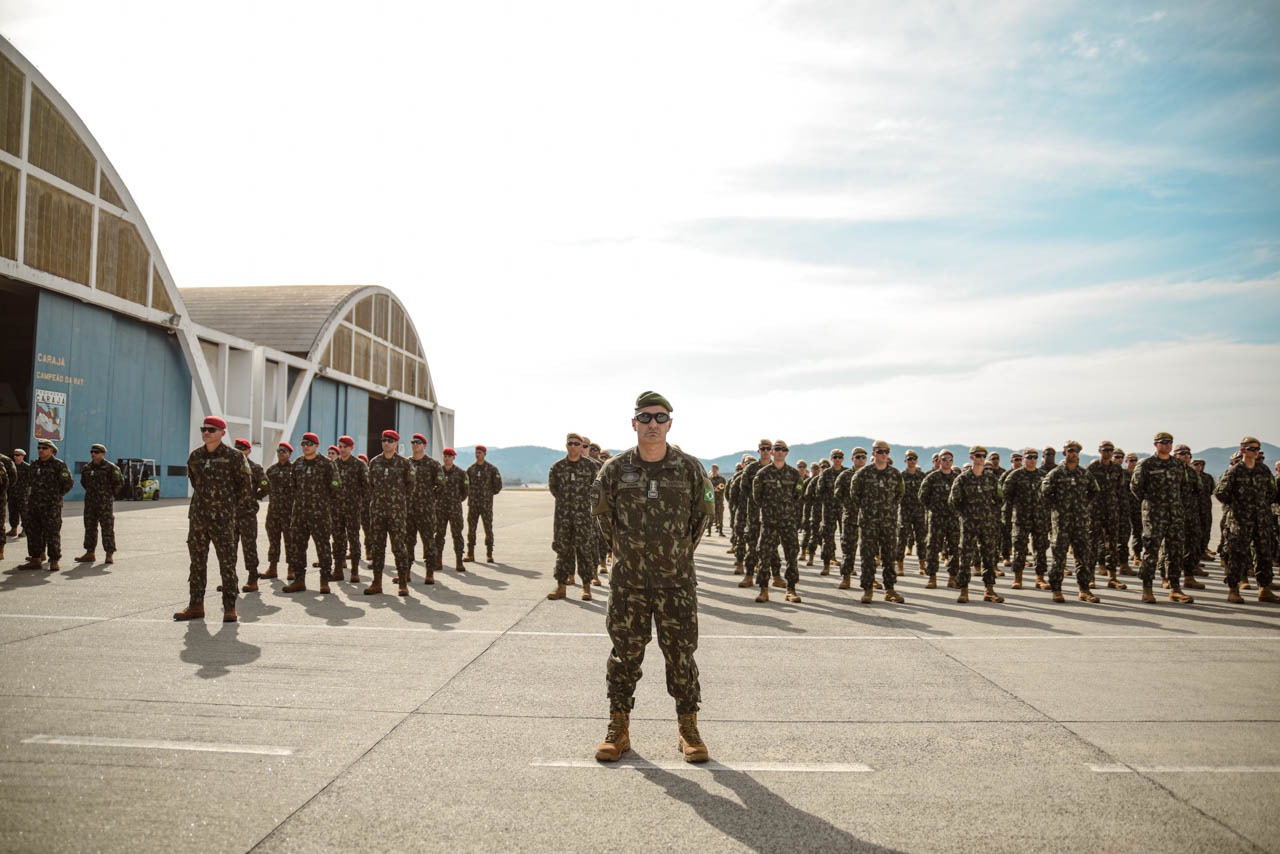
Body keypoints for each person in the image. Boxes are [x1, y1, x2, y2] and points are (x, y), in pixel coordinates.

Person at [591, 391, 712, 764]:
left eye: (660, 418)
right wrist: (627, 552)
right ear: (634, 423)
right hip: (629, 583)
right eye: (645, 417)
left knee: (680, 655)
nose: (653, 424)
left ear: (670, 424)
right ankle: (618, 728)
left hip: (676, 582)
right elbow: (602, 517)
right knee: (624, 655)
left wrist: (674, 555)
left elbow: (701, 518)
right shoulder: (614, 470)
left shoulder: (690, 469)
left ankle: (688, 728)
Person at [174, 417, 251, 622]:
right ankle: (196, 605)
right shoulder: (196, 456)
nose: (206, 432)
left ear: (222, 433)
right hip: (199, 518)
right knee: (197, 563)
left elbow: (244, 487)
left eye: (211, 430)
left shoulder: (234, 457)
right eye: (204, 429)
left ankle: (229, 608)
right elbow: (195, 482)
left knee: (227, 563)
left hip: (223, 520)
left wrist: (228, 508)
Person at [1130, 431, 1195, 604]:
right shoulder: (1146, 464)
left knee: (1175, 552)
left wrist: (1179, 506)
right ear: (1155, 444)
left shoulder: (1177, 465)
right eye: (1163, 442)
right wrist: (1151, 503)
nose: (1167, 445)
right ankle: (1147, 589)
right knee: (1151, 552)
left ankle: (1175, 588)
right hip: (1154, 516)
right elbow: (1136, 488)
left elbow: (1185, 487)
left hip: (1175, 515)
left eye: (1169, 442)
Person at [1215, 437, 1277, 603]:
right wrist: (1238, 506)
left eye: (1258, 449)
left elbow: (1272, 491)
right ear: (1243, 451)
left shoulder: (1263, 470)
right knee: (1237, 554)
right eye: (1252, 449)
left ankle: (1265, 589)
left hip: (1261, 520)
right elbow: (1221, 493)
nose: (1256, 452)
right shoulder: (1234, 471)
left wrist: (1261, 506)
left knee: (1264, 553)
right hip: (1240, 521)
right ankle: (1234, 589)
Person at [1041, 440, 1101, 603]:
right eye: (1071, 450)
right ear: (1064, 453)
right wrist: (1057, 507)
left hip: (1080, 521)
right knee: (1059, 556)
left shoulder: (1084, 473)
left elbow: (1094, 491)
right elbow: (1045, 493)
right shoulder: (1056, 473)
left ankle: (1084, 589)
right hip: (1061, 522)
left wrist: (1082, 505)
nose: (1074, 453)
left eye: (1077, 451)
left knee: (1083, 556)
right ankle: (1057, 589)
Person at [283, 432, 340, 593]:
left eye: (309, 443)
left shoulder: (326, 464)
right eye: (303, 444)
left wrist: (325, 505)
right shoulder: (297, 464)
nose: (305, 446)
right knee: (298, 547)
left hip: (320, 514)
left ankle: (324, 581)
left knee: (323, 547)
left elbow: (335, 487)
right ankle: (299, 580)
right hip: (300, 513)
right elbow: (292, 486)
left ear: (316, 445)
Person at [850, 440, 905, 604]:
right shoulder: (863, 474)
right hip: (869, 522)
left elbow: (899, 494)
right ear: (873, 454)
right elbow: (855, 495)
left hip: (888, 522)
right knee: (868, 556)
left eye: (887, 452)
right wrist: (868, 509)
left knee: (889, 556)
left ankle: (890, 589)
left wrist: (888, 509)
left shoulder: (895, 474)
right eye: (880, 452)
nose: (884, 455)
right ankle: (868, 589)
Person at [948, 445, 1004, 604]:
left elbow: (1000, 498)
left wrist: (990, 512)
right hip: (969, 524)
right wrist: (965, 514)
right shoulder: (963, 478)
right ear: (971, 457)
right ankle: (964, 590)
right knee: (965, 557)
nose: (981, 458)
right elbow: (953, 501)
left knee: (988, 556)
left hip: (987, 523)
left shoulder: (991, 478)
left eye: (983, 456)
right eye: (978, 456)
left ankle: (989, 590)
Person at [751, 440, 804, 603]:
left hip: (788, 522)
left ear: (787, 453)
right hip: (769, 522)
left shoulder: (794, 474)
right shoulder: (763, 474)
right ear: (772, 452)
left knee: (792, 555)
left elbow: (797, 496)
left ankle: (791, 589)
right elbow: (757, 497)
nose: (780, 452)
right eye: (777, 449)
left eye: (783, 449)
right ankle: (764, 589)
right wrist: (769, 509)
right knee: (764, 555)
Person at [364, 429, 416, 596]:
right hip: (378, 512)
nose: (386, 442)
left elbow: (410, 486)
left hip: (397, 513)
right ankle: (376, 583)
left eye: (390, 440)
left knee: (399, 548)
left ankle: (402, 583)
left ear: (395, 444)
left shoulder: (404, 463)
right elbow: (370, 484)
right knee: (377, 547)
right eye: (384, 440)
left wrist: (398, 501)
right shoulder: (374, 462)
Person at [548, 432, 598, 600]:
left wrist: (582, 504)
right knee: (563, 551)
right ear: (566, 445)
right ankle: (561, 586)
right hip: (563, 517)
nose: (574, 446)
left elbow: (596, 488)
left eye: (577, 444)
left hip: (583, 517)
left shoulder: (590, 467)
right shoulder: (558, 467)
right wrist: (566, 503)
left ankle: (586, 587)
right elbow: (554, 489)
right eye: (571, 443)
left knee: (584, 551)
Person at [19, 439, 74, 571]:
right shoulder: (34, 465)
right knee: (34, 532)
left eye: (44, 448)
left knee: (52, 532)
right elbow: (29, 481)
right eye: (39, 447)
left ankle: (54, 560)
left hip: (51, 506)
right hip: (35, 505)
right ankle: (36, 559)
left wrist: (56, 496)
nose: (41, 450)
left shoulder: (58, 465)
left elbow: (68, 483)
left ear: (52, 450)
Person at [1086, 441, 1127, 591]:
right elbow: (1085, 489)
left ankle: (1112, 577)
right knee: (1092, 544)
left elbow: (1121, 490)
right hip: (1095, 511)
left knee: (1112, 546)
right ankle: (1090, 577)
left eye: (1110, 450)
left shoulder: (1117, 469)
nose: (1108, 453)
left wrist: (1121, 510)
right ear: (1099, 451)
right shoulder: (1092, 468)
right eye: (1105, 450)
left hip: (1112, 511)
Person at [1004, 448, 1048, 589]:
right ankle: (1018, 578)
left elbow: (1050, 496)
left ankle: (1040, 578)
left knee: (1040, 548)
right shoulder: (1015, 476)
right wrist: (1007, 517)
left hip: (1039, 518)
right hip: (1021, 518)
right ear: (1023, 459)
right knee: (1019, 547)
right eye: (1029, 457)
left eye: (1035, 457)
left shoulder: (1043, 475)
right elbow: (1007, 497)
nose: (1032, 459)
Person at [74, 443, 123, 565]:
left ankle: (109, 553)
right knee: (90, 528)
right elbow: (84, 483)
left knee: (107, 528)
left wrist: (108, 495)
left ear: (103, 454)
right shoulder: (87, 468)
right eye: (92, 452)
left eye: (96, 452)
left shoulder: (111, 468)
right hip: (90, 503)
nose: (93, 454)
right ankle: (90, 553)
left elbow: (119, 483)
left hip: (104, 504)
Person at [231, 438, 270, 592]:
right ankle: (229, 579)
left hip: (247, 514)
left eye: (242, 448)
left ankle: (252, 578)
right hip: (230, 515)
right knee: (228, 549)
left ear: (249, 450)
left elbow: (266, 486)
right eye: (237, 448)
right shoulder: (229, 466)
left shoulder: (255, 468)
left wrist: (255, 497)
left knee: (249, 548)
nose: (239, 451)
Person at [919, 450, 960, 588]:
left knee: (954, 548)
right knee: (933, 547)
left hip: (953, 518)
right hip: (936, 518)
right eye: (944, 459)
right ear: (939, 461)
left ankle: (953, 577)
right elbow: (922, 496)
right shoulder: (931, 478)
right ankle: (932, 577)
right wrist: (933, 508)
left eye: (950, 459)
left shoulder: (958, 478)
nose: (947, 461)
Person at [407, 433, 444, 583]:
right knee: (407, 542)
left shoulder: (433, 464)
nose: (415, 445)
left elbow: (441, 485)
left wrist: (430, 498)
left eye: (418, 442)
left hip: (426, 511)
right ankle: (406, 572)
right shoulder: (406, 463)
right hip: (409, 510)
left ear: (424, 445)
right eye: (413, 442)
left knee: (428, 541)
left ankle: (429, 573)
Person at [332, 436, 369, 581]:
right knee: (337, 539)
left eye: (345, 447)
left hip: (353, 509)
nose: (342, 449)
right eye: (340, 446)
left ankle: (354, 571)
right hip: (336, 509)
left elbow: (367, 488)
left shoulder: (359, 465)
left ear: (351, 448)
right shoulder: (334, 464)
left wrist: (361, 504)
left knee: (354, 539)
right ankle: (338, 570)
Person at [262, 442, 295, 580]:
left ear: (290, 453)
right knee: (273, 541)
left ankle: (291, 568)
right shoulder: (271, 470)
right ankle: (272, 568)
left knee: (290, 541)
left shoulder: (295, 470)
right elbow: (264, 488)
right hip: (274, 512)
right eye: (279, 451)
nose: (281, 453)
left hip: (289, 513)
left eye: (284, 451)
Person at [465, 445, 502, 563]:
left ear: (484, 454)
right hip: (473, 505)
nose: (477, 455)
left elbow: (498, 486)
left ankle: (489, 554)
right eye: (476, 452)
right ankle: (470, 553)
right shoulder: (470, 469)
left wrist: (488, 495)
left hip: (486, 505)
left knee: (488, 529)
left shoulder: (492, 469)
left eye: (480, 453)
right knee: (471, 529)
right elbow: (465, 485)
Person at [438, 448, 469, 571]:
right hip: (439, 509)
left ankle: (459, 561)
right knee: (439, 535)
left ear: (453, 458)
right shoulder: (438, 472)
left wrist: (456, 500)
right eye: (445, 456)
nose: (447, 458)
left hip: (455, 509)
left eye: (449, 456)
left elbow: (465, 491)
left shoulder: (461, 473)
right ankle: (438, 560)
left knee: (457, 535)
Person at [895, 450, 925, 573]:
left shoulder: (922, 476)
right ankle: (900, 565)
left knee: (921, 538)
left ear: (917, 461)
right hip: (905, 510)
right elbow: (896, 492)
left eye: (914, 459)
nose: (912, 461)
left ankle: (922, 565)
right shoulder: (901, 476)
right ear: (905, 461)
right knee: (902, 538)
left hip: (919, 510)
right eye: (909, 459)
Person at [7, 448, 30, 538]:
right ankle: (13, 529)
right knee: (13, 511)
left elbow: (31, 480)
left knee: (24, 513)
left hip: (23, 494)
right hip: (12, 493)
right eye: (15, 455)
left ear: (23, 456)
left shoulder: (28, 467)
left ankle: (25, 530)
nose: (16, 457)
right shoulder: (11, 467)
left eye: (18, 455)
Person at [707, 464, 727, 536]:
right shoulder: (709, 479)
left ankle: (720, 532)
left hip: (719, 500)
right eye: (713, 469)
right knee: (710, 516)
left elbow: (722, 488)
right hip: (711, 501)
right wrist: (713, 490)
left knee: (720, 516)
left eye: (715, 469)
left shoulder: (721, 479)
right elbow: (707, 489)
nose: (714, 470)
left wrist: (716, 489)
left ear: (717, 469)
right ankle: (709, 532)